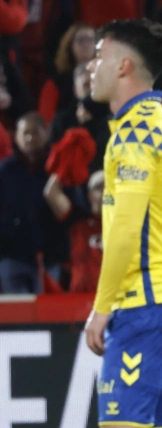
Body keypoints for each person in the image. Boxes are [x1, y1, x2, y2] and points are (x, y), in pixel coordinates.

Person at [83, 19, 162, 428]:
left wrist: (101, 306)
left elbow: (127, 231)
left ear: (124, 65)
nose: (91, 66)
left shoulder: (133, 133)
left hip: (143, 301)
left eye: (99, 56)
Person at [0, 112, 70, 293]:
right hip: (11, 256)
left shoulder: (58, 168)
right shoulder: (4, 171)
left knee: (48, 314)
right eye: (25, 133)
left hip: (49, 257)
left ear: (46, 134)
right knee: (18, 315)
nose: (30, 138)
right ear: (16, 137)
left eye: (35, 132)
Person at [43, 170, 104, 293]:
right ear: (90, 196)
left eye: (110, 187)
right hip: (81, 294)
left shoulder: (125, 224)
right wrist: (65, 164)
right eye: (100, 187)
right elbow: (51, 193)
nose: (105, 192)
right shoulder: (77, 220)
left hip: (115, 297)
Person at [48, 64, 112, 172]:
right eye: (86, 85)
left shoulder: (114, 117)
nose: (92, 90)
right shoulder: (62, 121)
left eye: (95, 84)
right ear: (76, 90)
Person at [39, 22, 97, 123]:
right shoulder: (55, 83)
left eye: (90, 39)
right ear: (70, 45)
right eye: (81, 40)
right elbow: (46, 121)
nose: (85, 44)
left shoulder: (106, 77)